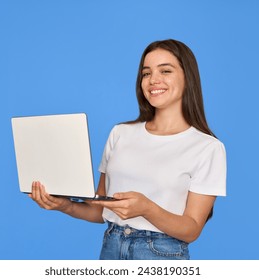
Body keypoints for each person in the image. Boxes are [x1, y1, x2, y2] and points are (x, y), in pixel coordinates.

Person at [29, 39, 226, 260]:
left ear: (188, 78)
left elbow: (192, 230)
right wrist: (63, 205)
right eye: (146, 73)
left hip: (161, 255)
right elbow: (99, 210)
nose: (154, 80)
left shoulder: (208, 148)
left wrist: (148, 209)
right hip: (112, 247)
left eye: (166, 71)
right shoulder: (120, 133)